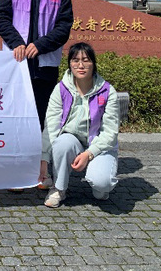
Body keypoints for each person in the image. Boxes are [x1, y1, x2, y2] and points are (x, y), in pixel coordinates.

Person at [0, 0, 73, 130]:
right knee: (14, 114)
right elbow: (2, 18)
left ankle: (37, 149)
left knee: (40, 116)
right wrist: (16, 42)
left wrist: (40, 45)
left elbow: (63, 28)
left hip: (44, 67)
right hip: (17, 62)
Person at [39, 42, 119, 207]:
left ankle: (100, 185)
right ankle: (59, 188)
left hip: (99, 145)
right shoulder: (61, 89)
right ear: (69, 64)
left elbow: (110, 132)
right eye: (75, 60)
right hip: (72, 141)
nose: (80, 65)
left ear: (93, 64)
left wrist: (89, 154)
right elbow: (51, 127)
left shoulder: (107, 91)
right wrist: (44, 159)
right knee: (62, 143)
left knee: (101, 185)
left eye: (86, 60)